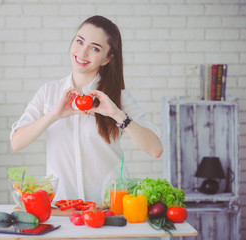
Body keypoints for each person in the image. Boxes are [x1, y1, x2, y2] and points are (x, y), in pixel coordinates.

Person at [10, 15, 163, 203]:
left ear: (107, 58)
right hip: (62, 206)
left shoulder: (118, 98)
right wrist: (54, 115)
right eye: (79, 41)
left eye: (95, 48)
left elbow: (155, 149)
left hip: (108, 206)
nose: (82, 53)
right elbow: (16, 142)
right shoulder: (48, 93)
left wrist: (117, 115)